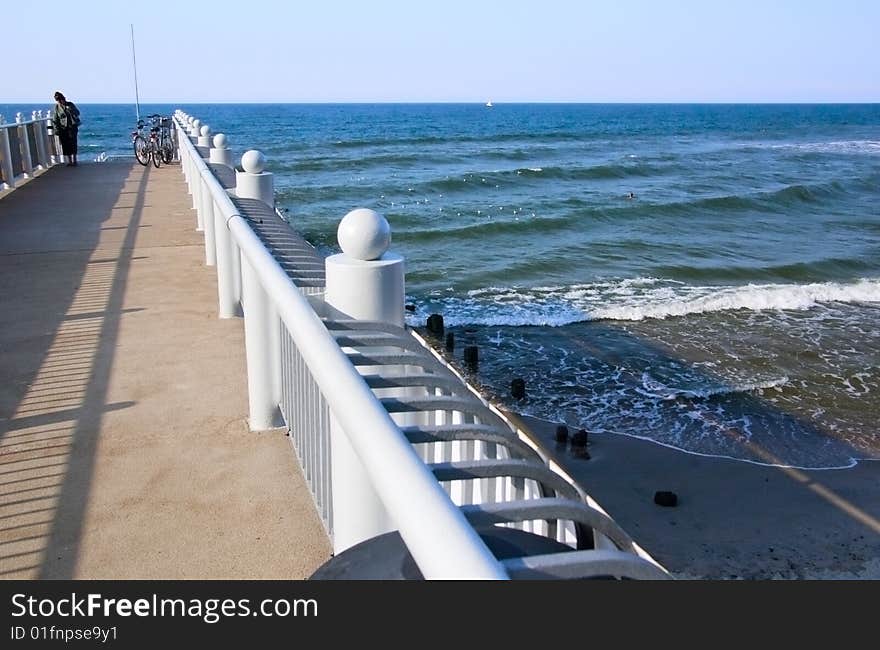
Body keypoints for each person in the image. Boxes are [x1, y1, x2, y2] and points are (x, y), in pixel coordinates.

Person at [52, 91, 81, 166]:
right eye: (58, 100)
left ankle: (74, 160)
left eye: (61, 100)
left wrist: (71, 109)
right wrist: (56, 129)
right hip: (63, 128)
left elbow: (77, 113)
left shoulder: (70, 104)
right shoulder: (57, 107)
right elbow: (55, 119)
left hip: (72, 127)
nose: (60, 102)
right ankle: (69, 161)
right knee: (65, 144)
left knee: (73, 143)